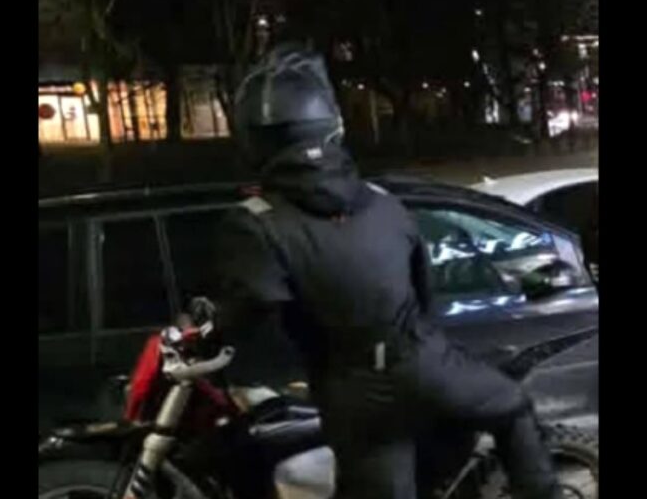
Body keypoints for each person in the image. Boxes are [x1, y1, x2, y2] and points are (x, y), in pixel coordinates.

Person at [214, 43, 563, 499]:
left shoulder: (256, 222)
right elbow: (423, 294)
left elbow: (251, 313)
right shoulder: (384, 203)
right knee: (512, 407)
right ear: (332, 128)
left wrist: (210, 333)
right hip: (426, 367)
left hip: (356, 394)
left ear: (252, 141)